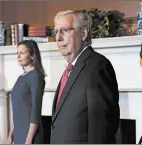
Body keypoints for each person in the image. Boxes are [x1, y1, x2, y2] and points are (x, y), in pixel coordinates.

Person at [50, 10, 120, 144]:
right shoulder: (70, 68)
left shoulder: (97, 66)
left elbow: (102, 129)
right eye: (56, 32)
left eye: (64, 30)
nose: (58, 38)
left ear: (83, 33)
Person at [8, 40, 46, 144]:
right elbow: (18, 110)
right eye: (17, 53)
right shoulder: (20, 78)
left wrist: (29, 139)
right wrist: (11, 133)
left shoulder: (36, 76)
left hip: (30, 136)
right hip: (19, 134)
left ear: (32, 56)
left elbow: (35, 111)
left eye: (22, 53)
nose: (18, 56)